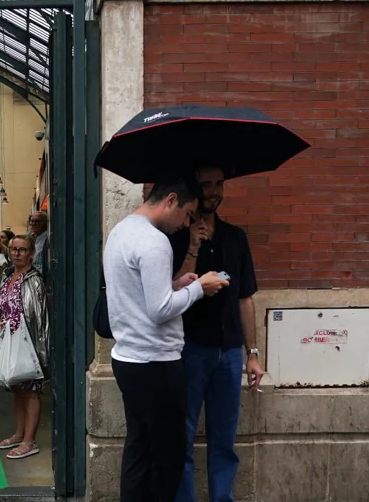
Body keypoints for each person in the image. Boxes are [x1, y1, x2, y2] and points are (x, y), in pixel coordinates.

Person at [104, 179, 228, 502]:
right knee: (168, 460)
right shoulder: (154, 241)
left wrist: (175, 284)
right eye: (187, 214)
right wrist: (200, 287)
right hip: (156, 364)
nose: (186, 223)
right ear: (171, 200)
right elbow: (159, 310)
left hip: (128, 359)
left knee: (138, 452)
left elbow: (140, 295)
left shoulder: (119, 232)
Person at [171, 167, 263, 502]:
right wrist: (193, 245)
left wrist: (252, 353)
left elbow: (245, 297)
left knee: (224, 441)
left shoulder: (236, 237)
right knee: (182, 439)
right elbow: (169, 294)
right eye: (206, 184)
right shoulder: (176, 238)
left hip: (229, 353)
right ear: (194, 190)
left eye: (218, 184)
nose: (213, 191)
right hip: (190, 350)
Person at [0, 234, 50, 460]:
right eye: (14, 249)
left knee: (30, 391)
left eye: (22, 250)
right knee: (17, 390)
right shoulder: (5, 276)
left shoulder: (34, 280)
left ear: (31, 253)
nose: (17, 254)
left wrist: (39, 352)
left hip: (27, 343)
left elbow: (37, 319)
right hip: (7, 341)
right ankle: (19, 433)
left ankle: (29, 441)